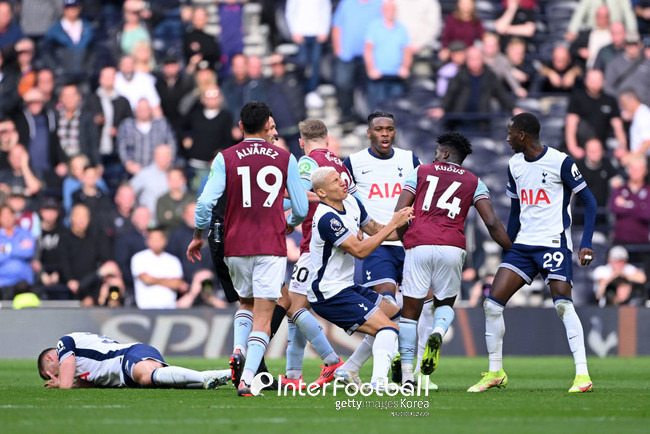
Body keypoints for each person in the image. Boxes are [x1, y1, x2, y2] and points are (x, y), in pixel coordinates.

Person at [467, 113, 597, 393]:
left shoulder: (560, 162)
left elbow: (590, 201)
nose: (506, 138)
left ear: (523, 135)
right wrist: (508, 250)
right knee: (492, 304)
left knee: (563, 305)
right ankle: (495, 371)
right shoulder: (514, 165)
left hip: (553, 243)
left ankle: (583, 376)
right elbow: (515, 213)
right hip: (523, 246)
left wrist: (586, 242)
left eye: (510, 133)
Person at [187, 101, 308, 397]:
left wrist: (198, 235)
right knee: (264, 318)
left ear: (240, 126)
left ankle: (238, 349)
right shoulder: (284, 157)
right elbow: (302, 207)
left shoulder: (225, 158)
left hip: (235, 245)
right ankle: (247, 380)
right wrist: (289, 222)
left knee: (246, 304)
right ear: (268, 125)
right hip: (270, 245)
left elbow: (204, 203)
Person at [393, 131, 512, 387]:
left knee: (410, 313)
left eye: (438, 151)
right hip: (452, 246)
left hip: (419, 243)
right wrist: (511, 249)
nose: (435, 155)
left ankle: (406, 376)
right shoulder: (474, 181)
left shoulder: (420, 172)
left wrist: (405, 240)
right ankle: (438, 332)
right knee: (444, 304)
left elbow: (401, 212)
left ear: (445, 153)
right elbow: (491, 222)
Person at [307, 166, 413, 390]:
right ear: (322, 193)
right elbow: (360, 251)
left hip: (345, 286)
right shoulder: (327, 218)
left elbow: (377, 230)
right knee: (388, 329)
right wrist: (394, 223)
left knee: (392, 314)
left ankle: (350, 368)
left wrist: (408, 225)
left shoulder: (352, 202)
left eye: (341, 178)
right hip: (329, 293)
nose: (343, 182)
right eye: (335, 181)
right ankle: (379, 382)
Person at [281, 119, 357, 389]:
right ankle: (293, 376)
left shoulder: (308, 162)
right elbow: (354, 203)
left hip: (316, 243)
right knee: (297, 310)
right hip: (341, 242)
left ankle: (331, 359)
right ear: (327, 138)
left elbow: (299, 194)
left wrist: (287, 215)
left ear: (301, 142)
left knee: (294, 308)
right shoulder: (341, 166)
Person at [343, 112, 419, 299]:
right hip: (377, 243)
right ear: (369, 133)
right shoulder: (353, 162)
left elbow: (424, 195)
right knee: (387, 301)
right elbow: (341, 196)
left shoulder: (410, 159)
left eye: (389, 129)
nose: (385, 133)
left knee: (423, 303)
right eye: (379, 129)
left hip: (409, 242)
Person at [38, 332, 230, 389]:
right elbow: (94, 379)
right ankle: (225, 375)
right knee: (170, 385)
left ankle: (207, 376)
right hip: (126, 372)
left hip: (127, 356)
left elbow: (68, 366)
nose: (59, 373)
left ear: (50, 358)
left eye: (54, 372)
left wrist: (62, 385)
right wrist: (72, 384)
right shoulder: (82, 365)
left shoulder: (63, 343)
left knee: (146, 377)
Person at [565, 69, 627, 160]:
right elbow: (571, 124)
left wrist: (622, 147)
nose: (595, 83)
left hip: (602, 148)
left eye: (598, 80)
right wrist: (573, 148)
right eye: (592, 80)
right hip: (580, 147)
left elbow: (618, 126)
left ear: (603, 82)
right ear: (586, 81)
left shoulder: (610, 100)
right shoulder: (577, 98)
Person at [132, 226, 199, 309]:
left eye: (159, 239)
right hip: (145, 309)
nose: (156, 242)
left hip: (169, 309)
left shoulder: (173, 260)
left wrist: (154, 279)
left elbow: (177, 283)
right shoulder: (139, 258)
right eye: (153, 239)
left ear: (165, 241)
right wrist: (168, 281)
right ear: (147, 241)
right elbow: (146, 280)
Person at [363, 0, 412, 112]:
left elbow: (407, 51)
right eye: (387, 9)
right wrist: (371, 69)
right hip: (378, 75)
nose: (389, 12)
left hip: (396, 76)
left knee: (396, 110)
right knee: (378, 111)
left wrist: (405, 67)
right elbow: (368, 50)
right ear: (382, 11)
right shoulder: (374, 27)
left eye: (392, 9)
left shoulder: (402, 28)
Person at [0, 204, 35, 299]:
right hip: (3, 285)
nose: (7, 218)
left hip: (24, 283)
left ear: (14, 216)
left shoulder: (24, 233)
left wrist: (6, 249)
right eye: (4, 216)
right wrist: (18, 248)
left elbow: (28, 252)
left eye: (9, 215)